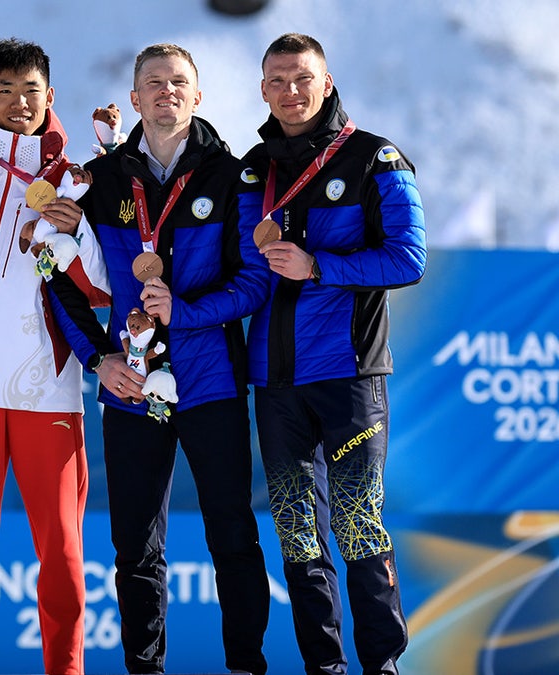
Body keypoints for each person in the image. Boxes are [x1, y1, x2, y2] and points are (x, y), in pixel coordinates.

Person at [48, 43, 271, 674]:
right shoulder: (101, 180)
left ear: (197, 96)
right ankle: (145, 669)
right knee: (135, 546)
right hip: (131, 385)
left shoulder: (232, 177)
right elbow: (54, 272)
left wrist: (185, 311)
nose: (166, 92)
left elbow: (255, 282)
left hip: (211, 382)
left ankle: (246, 666)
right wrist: (98, 359)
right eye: (154, 83)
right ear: (135, 98)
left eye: (178, 82)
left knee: (232, 533)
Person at [245, 33, 425, 675]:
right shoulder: (253, 167)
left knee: (357, 526)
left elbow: (409, 258)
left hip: (349, 376)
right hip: (274, 381)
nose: (290, 92)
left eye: (302, 78)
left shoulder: (376, 157)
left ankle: (383, 666)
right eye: (277, 80)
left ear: (326, 82)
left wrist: (318, 266)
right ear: (262, 89)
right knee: (297, 534)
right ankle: (324, 667)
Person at [0, 38, 107, 675]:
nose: (18, 102)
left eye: (31, 90)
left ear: (49, 96)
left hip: (46, 390)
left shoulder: (77, 181)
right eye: (4, 90)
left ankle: (67, 669)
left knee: (61, 551)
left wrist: (77, 230)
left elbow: (104, 288)